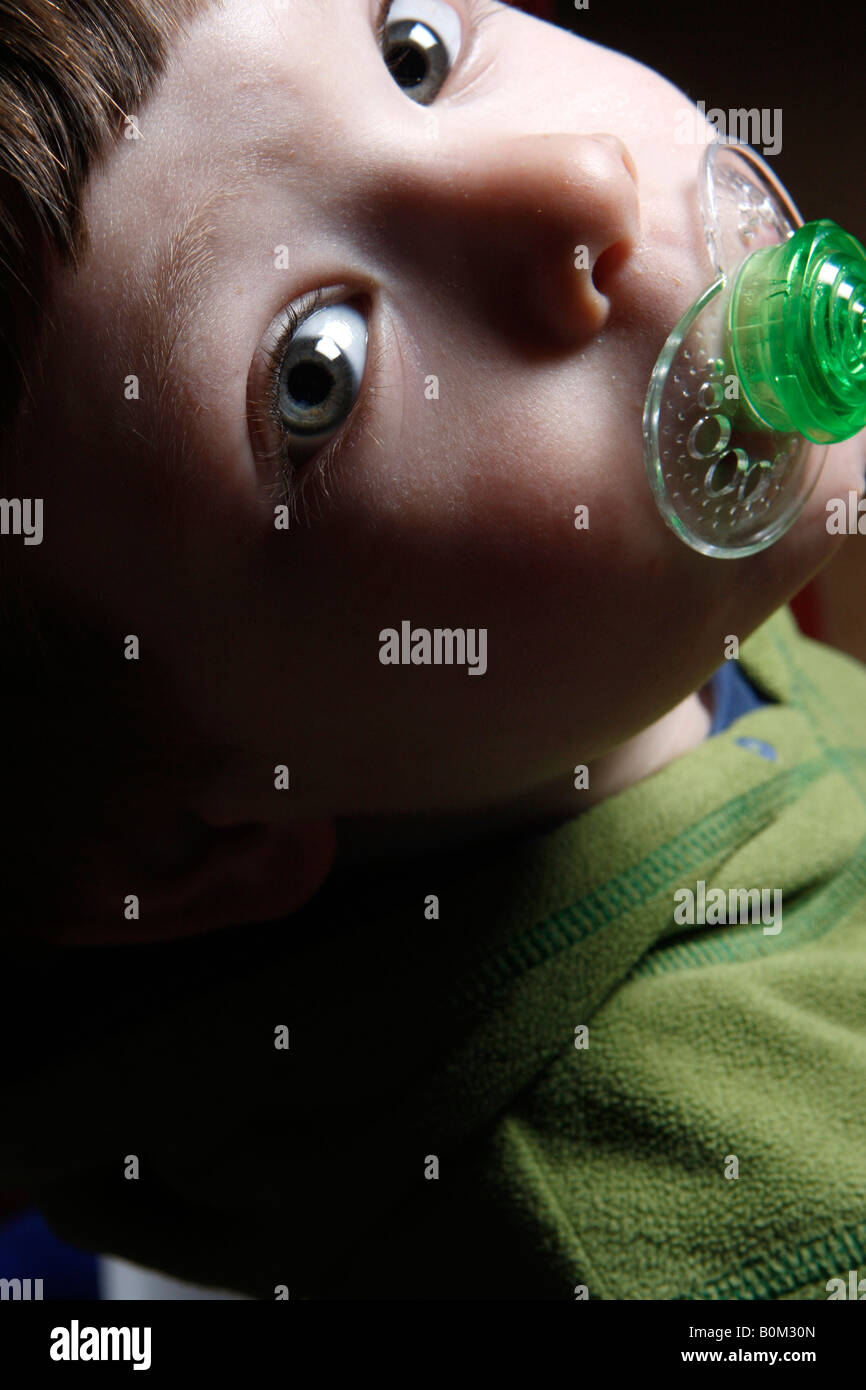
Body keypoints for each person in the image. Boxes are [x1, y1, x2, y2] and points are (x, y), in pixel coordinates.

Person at [1, 0, 864, 1300]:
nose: (574, 178)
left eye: (413, 49)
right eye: (317, 371)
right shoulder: (754, 1241)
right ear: (192, 846)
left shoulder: (618, 647)